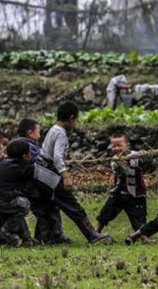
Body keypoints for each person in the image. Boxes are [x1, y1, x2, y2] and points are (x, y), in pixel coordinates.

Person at [37, 101, 110, 244]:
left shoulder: (53, 129)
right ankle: (92, 235)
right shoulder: (61, 134)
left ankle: (46, 237)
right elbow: (57, 157)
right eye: (76, 120)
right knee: (72, 204)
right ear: (71, 118)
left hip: (42, 172)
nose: (75, 124)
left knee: (49, 206)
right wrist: (65, 176)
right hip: (51, 174)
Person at [17, 118, 71, 244]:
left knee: (47, 208)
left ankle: (52, 235)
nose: (40, 135)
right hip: (31, 185)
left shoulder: (20, 144)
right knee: (44, 210)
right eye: (38, 131)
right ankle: (46, 237)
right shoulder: (29, 146)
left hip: (27, 185)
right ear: (30, 133)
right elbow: (38, 162)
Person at [0, 139, 34, 247]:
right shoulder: (20, 167)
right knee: (23, 204)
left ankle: (26, 239)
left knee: (15, 210)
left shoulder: (5, 163)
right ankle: (4, 232)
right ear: (25, 156)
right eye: (30, 152)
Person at [96, 133, 147, 239]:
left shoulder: (136, 156)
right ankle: (96, 233)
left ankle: (143, 237)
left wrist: (143, 156)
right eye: (114, 146)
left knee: (138, 218)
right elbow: (122, 172)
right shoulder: (114, 160)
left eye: (120, 145)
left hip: (135, 194)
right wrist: (119, 162)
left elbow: (143, 164)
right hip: (119, 193)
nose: (117, 148)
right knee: (106, 213)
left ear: (127, 145)